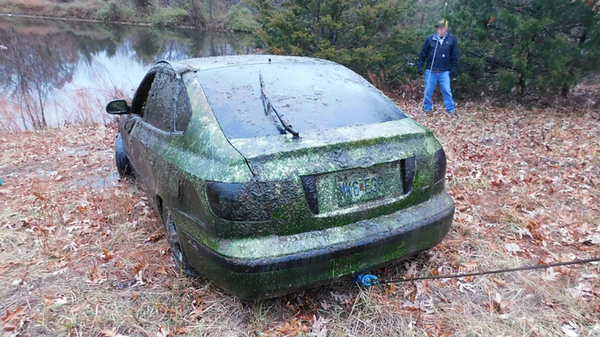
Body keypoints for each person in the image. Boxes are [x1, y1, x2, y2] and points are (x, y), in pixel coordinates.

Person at [417, 19, 459, 116]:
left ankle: (450, 109)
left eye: (442, 28)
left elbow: (455, 55)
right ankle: (427, 108)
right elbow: (423, 54)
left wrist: (454, 68)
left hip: (444, 71)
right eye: (438, 28)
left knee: (446, 90)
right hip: (431, 70)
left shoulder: (452, 39)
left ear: (446, 29)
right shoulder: (430, 39)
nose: (439, 30)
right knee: (428, 90)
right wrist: (420, 66)